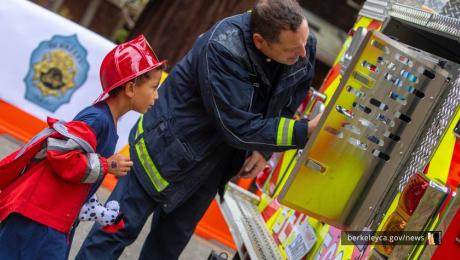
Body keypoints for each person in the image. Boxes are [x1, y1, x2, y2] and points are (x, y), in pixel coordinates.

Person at [77, 0, 321, 259]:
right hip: (162, 151)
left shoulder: (301, 41)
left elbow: (288, 97)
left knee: (166, 249)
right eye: (293, 51)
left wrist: (262, 149)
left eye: (304, 43)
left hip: (211, 166)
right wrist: (302, 132)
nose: (304, 53)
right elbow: (238, 127)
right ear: (260, 41)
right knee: (114, 231)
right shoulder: (223, 48)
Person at [0, 35, 165, 259]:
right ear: (130, 88)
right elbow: (60, 153)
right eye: (154, 87)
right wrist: (107, 164)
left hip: (52, 220)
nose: (156, 96)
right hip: (40, 220)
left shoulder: (107, 120)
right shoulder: (97, 119)